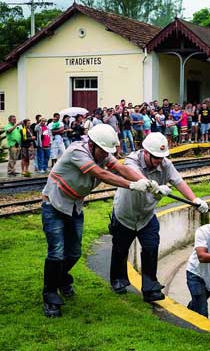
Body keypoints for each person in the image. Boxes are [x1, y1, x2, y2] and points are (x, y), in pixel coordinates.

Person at [41, 124, 154, 317]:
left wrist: (148, 183)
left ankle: (60, 279)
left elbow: (120, 167)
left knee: (74, 253)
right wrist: (133, 185)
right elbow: (101, 174)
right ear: (92, 145)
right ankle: (50, 295)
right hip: (54, 206)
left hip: (74, 207)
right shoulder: (77, 151)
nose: (105, 155)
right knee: (57, 252)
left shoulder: (103, 152)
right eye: (103, 151)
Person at [109, 133, 209, 302]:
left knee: (151, 247)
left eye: (161, 157)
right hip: (125, 214)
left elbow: (179, 182)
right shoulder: (132, 161)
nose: (158, 161)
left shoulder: (165, 164)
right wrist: (153, 185)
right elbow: (133, 174)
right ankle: (118, 280)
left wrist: (195, 200)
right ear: (145, 152)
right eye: (155, 157)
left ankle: (150, 287)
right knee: (120, 249)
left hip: (146, 215)